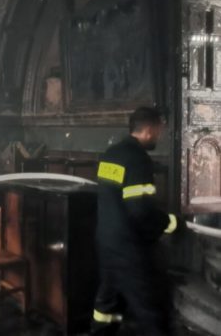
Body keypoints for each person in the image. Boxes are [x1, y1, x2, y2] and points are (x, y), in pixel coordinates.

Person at [91, 107, 184, 336]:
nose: (159, 136)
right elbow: (141, 211)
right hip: (129, 248)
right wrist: (171, 223)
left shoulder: (110, 153)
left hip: (106, 242)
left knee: (106, 305)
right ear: (149, 129)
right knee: (151, 309)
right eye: (159, 131)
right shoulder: (138, 159)